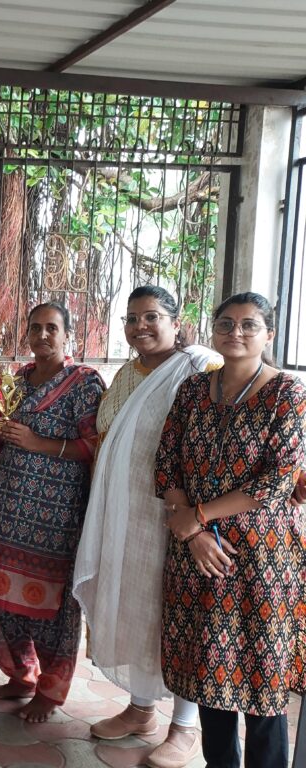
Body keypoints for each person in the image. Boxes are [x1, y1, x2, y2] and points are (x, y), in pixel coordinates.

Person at [155, 292, 306, 768]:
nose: (235, 332)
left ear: (269, 334)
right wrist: (191, 530)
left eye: (248, 324)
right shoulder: (194, 390)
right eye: (225, 323)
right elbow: (166, 463)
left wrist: (198, 516)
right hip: (196, 553)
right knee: (208, 673)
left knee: (262, 678)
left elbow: (278, 479)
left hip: (261, 558)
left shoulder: (288, 393)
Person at [73, 286, 217, 767]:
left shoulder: (201, 367)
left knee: (177, 613)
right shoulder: (127, 374)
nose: (140, 327)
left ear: (176, 322)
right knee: (138, 609)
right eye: (132, 318)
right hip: (127, 516)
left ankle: (185, 726)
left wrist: (195, 516)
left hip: (176, 515)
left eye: (152, 317)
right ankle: (141, 709)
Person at [0, 302, 104, 722]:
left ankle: (50, 688)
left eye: (52, 328)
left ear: (67, 335)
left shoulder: (84, 382)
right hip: (5, 506)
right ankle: (20, 675)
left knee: (52, 606)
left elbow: (94, 445)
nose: (42, 335)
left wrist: (38, 444)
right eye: (35, 328)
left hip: (54, 515)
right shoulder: (16, 380)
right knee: (1, 600)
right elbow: (6, 443)